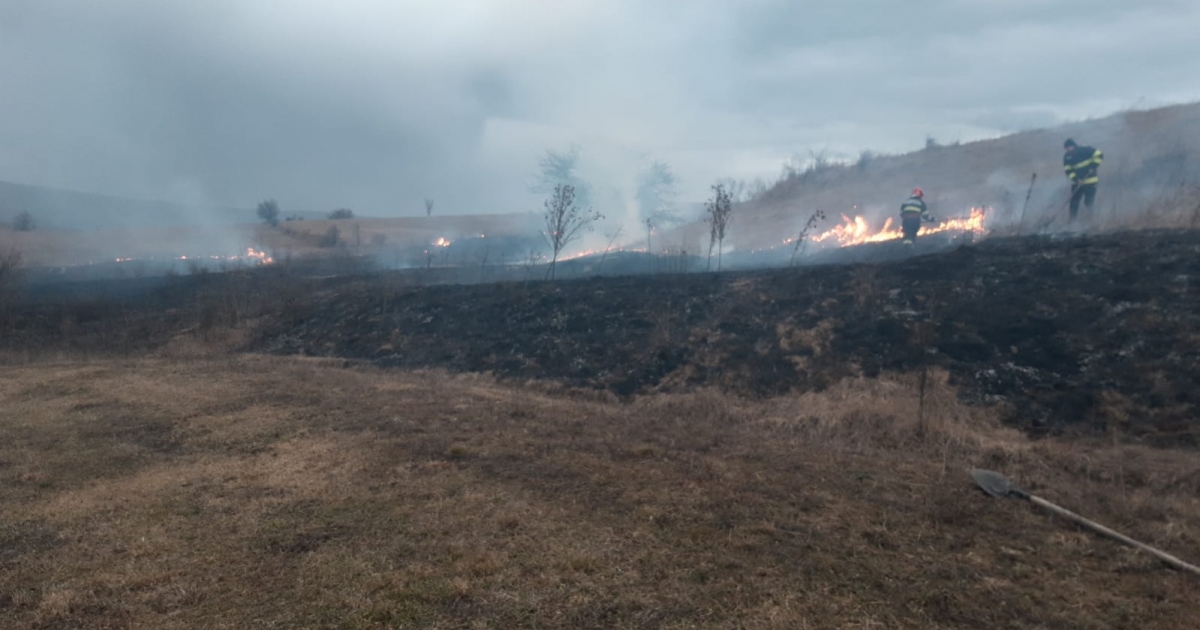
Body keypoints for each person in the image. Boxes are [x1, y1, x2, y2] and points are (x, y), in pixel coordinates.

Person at [1063, 138, 1103, 221]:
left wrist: (1093, 166)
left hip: (1090, 181)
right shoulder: (1067, 157)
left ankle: (1093, 219)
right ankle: (1072, 221)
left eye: (1069, 148)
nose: (1068, 150)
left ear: (1073, 146)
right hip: (1077, 183)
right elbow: (1068, 170)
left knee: (1088, 201)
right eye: (1066, 149)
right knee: (1073, 202)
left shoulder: (1085, 150)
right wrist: (1076, 179)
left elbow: (1099, 155)